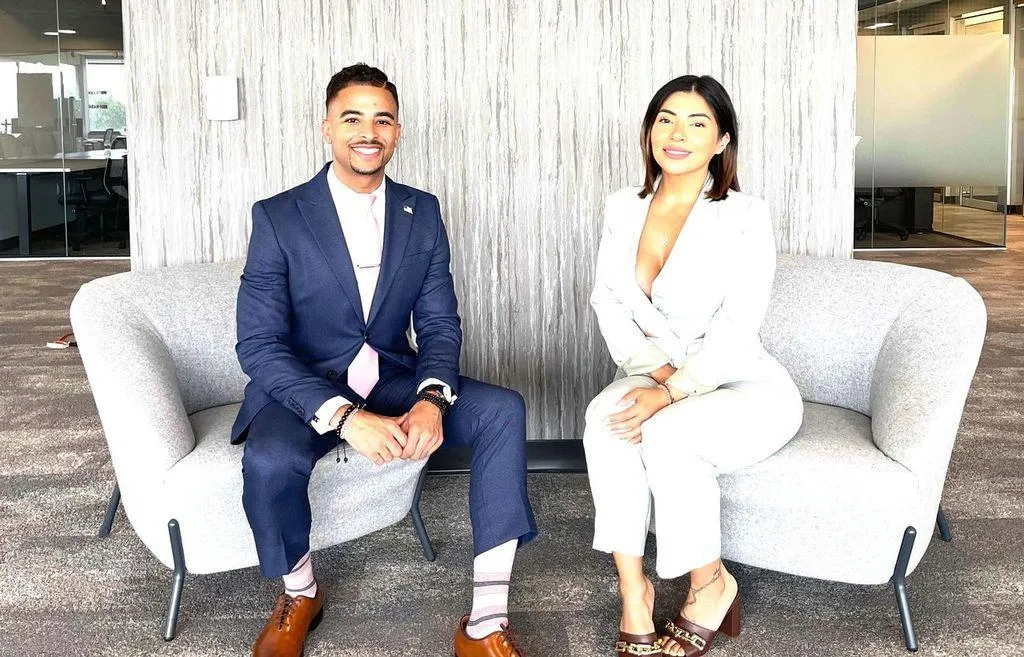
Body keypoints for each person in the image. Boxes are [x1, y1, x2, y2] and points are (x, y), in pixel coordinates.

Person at [232, 63, 537, 657]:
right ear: (327, 127)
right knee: (270, 460)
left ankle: (485, 620)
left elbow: (439, 322)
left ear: (397, 131)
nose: (368, 132)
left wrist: (432, 398)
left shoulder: (421, 210)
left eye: (383, 119)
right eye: (352, 118)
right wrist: (346, 418)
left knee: (502, 410)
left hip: (392, 377)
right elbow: (258, 344)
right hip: (303, 386)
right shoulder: (279, 215)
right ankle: (300, 592)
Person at [583, 75, 803, 657]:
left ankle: (711, 584)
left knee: (668, 433)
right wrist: (653, 374)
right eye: (666, 119)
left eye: (697, 123)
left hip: (741, 380)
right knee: (606, 420)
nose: (677, 134)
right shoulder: (622, 206)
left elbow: (740, 322)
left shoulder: (745, 214)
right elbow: (608, 300)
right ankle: (634, 591)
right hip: (653, 368)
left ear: (722, 140)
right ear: (649, 131)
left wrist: (674, 391)